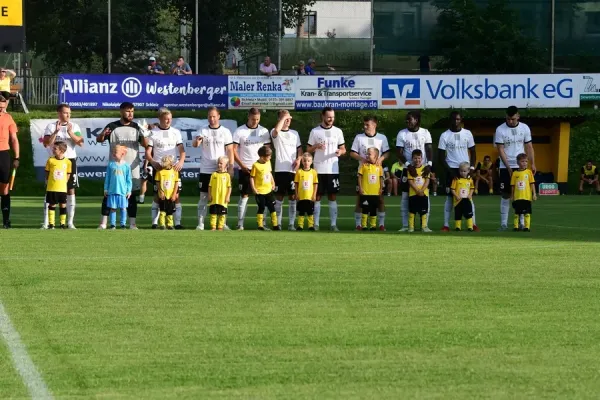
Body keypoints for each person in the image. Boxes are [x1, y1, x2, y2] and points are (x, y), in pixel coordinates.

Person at [96, 102, 148, 229]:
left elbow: (145, 145)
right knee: (109, 195)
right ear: (121, 111)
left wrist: (144, 134)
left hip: (132, 168)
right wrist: (103, 134)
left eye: (132, 111)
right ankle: (103, 223)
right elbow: (99, 139)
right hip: (115, 168)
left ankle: (132, 224)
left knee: (131, 196)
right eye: (127, 111)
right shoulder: (112, 126)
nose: (130, 114)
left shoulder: (137, 127)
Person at [494, 106, 536, 231]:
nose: (510, 121)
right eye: (508, 119)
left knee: (521, 194)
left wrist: (532, 163)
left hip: (521, 166)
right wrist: (508, 167)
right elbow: (500, 149)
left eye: (512, 119)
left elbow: (529, 146)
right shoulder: (500, 129)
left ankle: (522, 223)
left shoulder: (524, 128)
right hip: (505, 165)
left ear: (518, 116)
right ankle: (503, 224)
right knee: (506, 194)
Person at [42, 104, 83, 229]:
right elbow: (46, 144)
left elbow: (80, 143)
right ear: (59, 113)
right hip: (55, 162)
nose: (68, 115)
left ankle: (70, 222)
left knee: (70, 190)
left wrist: (70, 133)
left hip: (69, 161)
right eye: (65, 113)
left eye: (69, 113)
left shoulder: (74, 126)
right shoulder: (50, 126)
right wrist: (56, 131)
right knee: (50, 190)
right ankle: (46, 222)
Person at [193, 107, 234, 230]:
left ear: (219, 116)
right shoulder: (203, 130)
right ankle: (200, 224)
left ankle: (223, 223)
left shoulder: (225, 131)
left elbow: (230, 150)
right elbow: (195, 145)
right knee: (204, 197)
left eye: (214, 116)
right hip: (206, 169)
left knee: (222, 197)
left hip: (221, 171)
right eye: (210, 116)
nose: (212, 119)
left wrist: (231, 167)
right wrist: (197, 141)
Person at [438, 111, 478, 232]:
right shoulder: (444, 135)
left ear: (461, 120)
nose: (456, 122)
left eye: (458, 119)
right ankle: (446, 225)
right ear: (450, 120)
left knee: (468, 197)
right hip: (452, 169)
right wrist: (450, 171)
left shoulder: (467, 133)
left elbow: (473, 151)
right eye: (454, 119)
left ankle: (473, 224)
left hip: (465, 169)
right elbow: (440, 156)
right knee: (450, 197)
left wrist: (471, 168)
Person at [145, 108, 186, 229]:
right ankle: (155, 223)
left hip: (173, 170)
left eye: (170, 119)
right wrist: (152, 162)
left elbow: (182, 150)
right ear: (160, 119)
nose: (168, 121)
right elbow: (148, 152)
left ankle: (177, 223)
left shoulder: (176, 132)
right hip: (159, 169)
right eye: (166, 119)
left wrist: (181, 162)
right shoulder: (154, 132)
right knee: (158, 196)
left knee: (176, 196)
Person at [307, 107, 346, 231]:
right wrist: (316, 146)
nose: (331, 119)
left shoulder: (338, 131)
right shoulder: (315, 131)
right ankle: (316, 224)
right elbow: (307, 150)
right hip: (318, 169)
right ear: (322, 116)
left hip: (333, 170)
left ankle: (333, 225)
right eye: (329, 117)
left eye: (333, 117)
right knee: (317, 197)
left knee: (332, 196)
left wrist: (340, 151)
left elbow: (344, 149)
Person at [233, 108, 271, 230]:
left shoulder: (264, 131)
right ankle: (240, 224)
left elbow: (268, 152)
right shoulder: (239, 131)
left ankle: (262, 224)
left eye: (258, 119)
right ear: (248, 117)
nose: (255, 121)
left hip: (261, 170)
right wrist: (242, 165)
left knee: (263, 197)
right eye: (253, 119)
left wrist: (267, 169)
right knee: (244, 196)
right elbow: (233, 150)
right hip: (246, 168)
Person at [350, 115, 390, 230]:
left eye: (367, 124)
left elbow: (387, 153)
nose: (365, 126)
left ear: (374, 125)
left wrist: (380, 159)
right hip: (364, 174)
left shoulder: (382, 138)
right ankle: (358, 224)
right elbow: (352, 153)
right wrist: (362, 159)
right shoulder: (359, 137)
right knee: (360, 199)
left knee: (380, 199)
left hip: (377, 174)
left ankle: (381, 224)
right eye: (364, 124)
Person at [396, 111, 433, 232]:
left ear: (416, 120)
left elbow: (429, 150)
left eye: (409, 119)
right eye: (406, 120)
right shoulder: (402, 133)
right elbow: (399, 152)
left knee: (425, 196)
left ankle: (425, 225)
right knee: (405, 196)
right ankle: (405, 225)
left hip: (423, 169)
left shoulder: (425, 132)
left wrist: (429, 165)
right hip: (408, 169)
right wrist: (408, 165)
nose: (407, 121)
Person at [271, 110, 302, 230]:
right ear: (280, 119)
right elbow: (276, 131)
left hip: (293, 170)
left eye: (289, 118)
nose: (288, 121)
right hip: (280, 170)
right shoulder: (275, 132)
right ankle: (277, 223)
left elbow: (300, 150)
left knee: (293, 197)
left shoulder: (295, 133)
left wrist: (299, 159)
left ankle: (291, 224)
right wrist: (283, 118)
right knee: (279, 197)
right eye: (285, 119)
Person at [102, 145, 132, 230]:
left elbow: (128, 179)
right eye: (113, 152)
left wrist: (129, 190)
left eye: (116, 152)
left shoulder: (126, 166)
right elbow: (107, 178)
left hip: (122, 191)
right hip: (112, 191)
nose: (113, 154)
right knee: (113, 208)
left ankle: (123, 224)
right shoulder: (111, 165)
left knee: (123, 208)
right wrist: (106, 189)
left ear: (122, 154)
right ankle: (113, 224)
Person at [250, 146, 279, 231]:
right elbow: (251, 177)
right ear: (262, 157)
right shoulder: (256, 165)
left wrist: (273, 183)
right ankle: (260, 225)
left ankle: (275, 225)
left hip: (269, 190)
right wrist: (253, 188)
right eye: (268, 156)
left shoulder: (268, 162)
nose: (270, 157)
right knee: (261, 207)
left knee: (272, 207)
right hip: (260, 191)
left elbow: (269, 173)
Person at [0, 96, 18, 228]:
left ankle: (6, 221)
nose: (1, 109)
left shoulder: (8, 118)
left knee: (5, 188)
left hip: (3, 154)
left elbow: (14, 139)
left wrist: (17, 157)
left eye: (2, 107)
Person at [44, 142, 71, 229]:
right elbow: (47, 173)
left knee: (63, 205)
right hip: (52, 187)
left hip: (62, 188)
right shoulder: (50, 160)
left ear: (61, 151)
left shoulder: (68, 162)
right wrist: (48, 181)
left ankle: (62, 224)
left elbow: (68, 174)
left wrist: (64, 182)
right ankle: (51, 224)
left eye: (55, 149)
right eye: (53, 148)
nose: (53, 150)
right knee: (52, 205)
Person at [357, 148, 384, 231]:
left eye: (369, 154)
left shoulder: (379, 167)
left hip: (375, 193)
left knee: (373, 209)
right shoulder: (363, 166)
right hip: (365, 192)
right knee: (365, 209)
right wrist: (360, 188)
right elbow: (360, 177)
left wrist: (381, 188)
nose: (367, 155)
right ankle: (364, 225)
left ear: (376, 156)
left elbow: (381, 179)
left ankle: (373, 225)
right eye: (367, 154)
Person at [406, 149, 432, 233]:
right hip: (413, 194)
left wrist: (422, 190)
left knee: (423, 211)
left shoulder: (425, 169)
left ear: (422, 158)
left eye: (419, 158)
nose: (417, 160)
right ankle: (411, 227)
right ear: (412, 159)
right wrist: (417, 190)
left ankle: (424, 226)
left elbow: (427, 181)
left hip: (423, 194)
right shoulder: (410, 169)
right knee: (412, 211)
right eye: (415, 158)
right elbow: (410, 181)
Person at [511, 153, 536, 232]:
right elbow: (513, 186)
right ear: (518, 162)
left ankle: (527, 227)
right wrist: (512, 196)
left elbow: (532, 184)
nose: (525, 163)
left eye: (526, 161)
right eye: (522, 161)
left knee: (527, 213)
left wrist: (534, 194)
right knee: (517, 213)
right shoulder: (515, 173)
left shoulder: (529, 172)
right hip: (518, 196)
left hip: (527, 197)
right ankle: (516, 227)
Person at [155, 155, 180, 230]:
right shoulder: (160, 172)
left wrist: (174, 193)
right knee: (162, 210)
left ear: (170, 163)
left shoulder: (175, 171)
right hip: (163, 195)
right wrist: (160, 191)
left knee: (170, 210)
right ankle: (162, 224)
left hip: (171, 195)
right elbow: (158, 183)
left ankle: (170, 224)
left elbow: (176, 183)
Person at [294, 152, 318, 231]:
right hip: (301, 196)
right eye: (304, 161)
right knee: (301, 211)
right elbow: (296, 184)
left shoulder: (313, 172)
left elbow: (315, 184)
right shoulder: (299, 172)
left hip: (310, 196)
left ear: (311, 162)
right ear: (302, 162)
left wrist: (314, 195)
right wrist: (296, 194)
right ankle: (300, 225)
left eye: (308, 161)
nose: (306, 163)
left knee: (310, 211)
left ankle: (310, 225)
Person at [207, 156, 232, 231]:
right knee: (213, 213)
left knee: (222, 214)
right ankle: (213, 226)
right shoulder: (214, 174)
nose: (219, 165)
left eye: (221, 163)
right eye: (218, 163)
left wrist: (228, 196)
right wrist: (209, 194)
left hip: (223, 199)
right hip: (214, 198)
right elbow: (210, 186)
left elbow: (229, 187)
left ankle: (220, 226)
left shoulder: (227, 175)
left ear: (226, 165)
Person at [450, 162, 475, 231]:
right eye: (461, 171)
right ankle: (458, 226)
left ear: (468, 171)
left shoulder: (470, 180)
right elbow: (452, 189)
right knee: (458, 214)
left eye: (464, 171)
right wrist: (456, 196)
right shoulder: (456, 179)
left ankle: (470, 226)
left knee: (469, 213)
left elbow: (472, 188)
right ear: (459, 171)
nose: (463, 173)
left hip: (467, 200)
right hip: (458, 200)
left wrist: (470, 194)